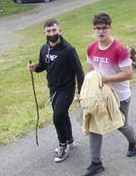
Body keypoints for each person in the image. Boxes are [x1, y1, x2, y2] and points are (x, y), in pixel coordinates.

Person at [82, 13, 136, 176]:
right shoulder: (91, 47)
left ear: (110, 28)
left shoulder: (119, 50)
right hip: (98, 96)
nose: (101, 31)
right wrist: (83, 91)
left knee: (121, 125)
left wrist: (104, 79)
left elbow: (128, 74)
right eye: (97, 28)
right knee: (95, 128)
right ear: (93, 30)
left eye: (104, 28)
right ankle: (96, 163)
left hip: (119, 96)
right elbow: (90, 71)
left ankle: (134, 140)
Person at [28, 18, 84, 163]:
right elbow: (43, 65)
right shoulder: (44, 48)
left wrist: (80, 91)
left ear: (59, 30)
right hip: (53, 88)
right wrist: (34, 68)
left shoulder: (69, 50)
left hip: (67, 88)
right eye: (49, 31)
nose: (52, 33)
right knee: (62, 115)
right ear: (44, 32)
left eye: (54, 30)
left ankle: (62, 145)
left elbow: (79, 71)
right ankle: (70, 140)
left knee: (57, 116)